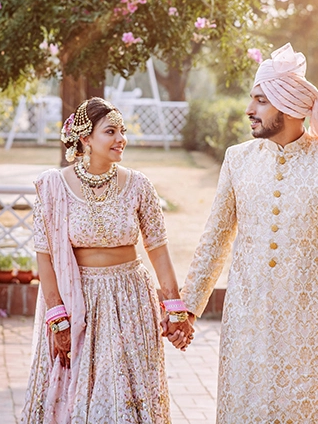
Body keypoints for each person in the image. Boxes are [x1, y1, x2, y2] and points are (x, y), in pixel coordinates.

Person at [180, 43, 318, 424]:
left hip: (316, 323)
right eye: (251, 99)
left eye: (260, 100)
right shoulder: (238, 159)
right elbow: (216, 237)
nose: (249, 110)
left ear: (287, 105)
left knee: (312, 410)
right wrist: (190, 307)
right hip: (248, 319)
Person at [20, 97, 194, 424]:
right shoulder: (53, 188)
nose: (121, 139)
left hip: (131, 299)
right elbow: (44, 258)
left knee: (127, 395)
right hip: (78, 300)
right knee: (80, 397)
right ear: (85, 139)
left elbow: (158, 249)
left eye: (123, 131)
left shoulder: (139, 185)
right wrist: (58, 319)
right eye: (110, 131)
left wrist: (175, 308)